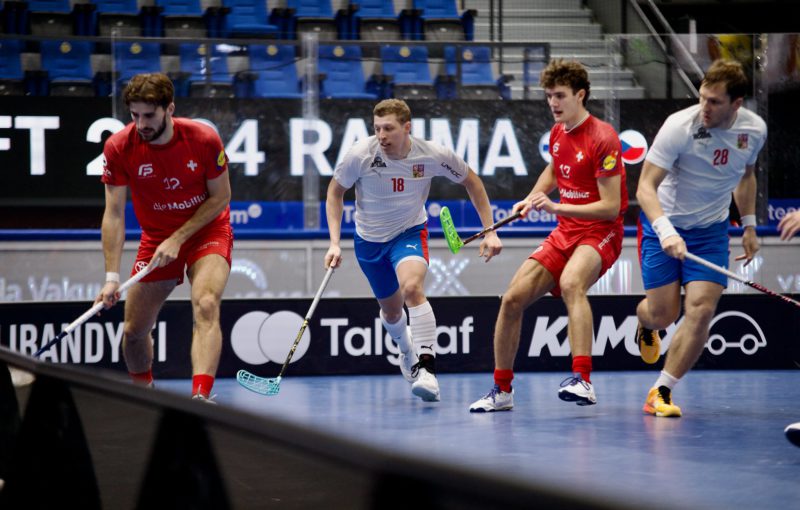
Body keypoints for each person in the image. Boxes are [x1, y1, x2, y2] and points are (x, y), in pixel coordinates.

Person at [469, 59, 627, 412]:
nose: (553, 103)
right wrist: (531, 197)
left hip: (601, 232)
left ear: (580, 95)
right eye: (548, 96)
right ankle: (502, 391)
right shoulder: (558, 132)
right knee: (511, 299)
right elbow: (555, 169)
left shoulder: (603, 138)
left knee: (572, 283)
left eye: (560, 96)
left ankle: (583, 380)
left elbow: (611, 208)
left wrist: (556, 209)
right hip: (566, 230)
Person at [325, 99, 503, 402]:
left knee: (411, 288)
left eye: (389, 129)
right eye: (377, 128)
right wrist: (333, 242)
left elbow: (473, 183)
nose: (382, 135)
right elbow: (334, 193)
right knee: (392, 311)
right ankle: (405, 348)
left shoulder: (432, 155)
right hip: (368, 240)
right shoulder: (360, 155)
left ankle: (427, 370)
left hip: (409, 232)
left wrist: (490, 231)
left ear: (407, 127)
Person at [634, 59, 767, 418]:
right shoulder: (679, 127)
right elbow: (645, 187)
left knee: (702, 310)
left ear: (736, 104)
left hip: (711, 230)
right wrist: (666, 230)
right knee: (663, 314)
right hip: (663, 223)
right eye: (702, 98)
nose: (704, 107)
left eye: (714, 102)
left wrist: (750, 225)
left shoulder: (754, 131)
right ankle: (645, 325)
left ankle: (661, 390)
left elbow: (745, 175)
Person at [96, 73, 233, 402]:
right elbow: (113, 215)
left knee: (206, 302)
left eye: (149, 115)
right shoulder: (118, 147)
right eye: (134, 115)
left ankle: (200, 399)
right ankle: (145, 397)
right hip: (156, 239)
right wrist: (112, 277)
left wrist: (179, 236)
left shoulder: (203, 139)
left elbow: (221, 197)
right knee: (133, 333)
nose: (141, 124)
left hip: (206, 231)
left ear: (169, 108)